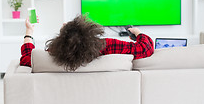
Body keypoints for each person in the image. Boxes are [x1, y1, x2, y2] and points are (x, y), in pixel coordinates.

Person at [20, 15, 154, 71]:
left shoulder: (51, 56)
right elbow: (145, 49)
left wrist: (29, 31)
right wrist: (137, 33)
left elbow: (27, 57)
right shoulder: (106, 46)